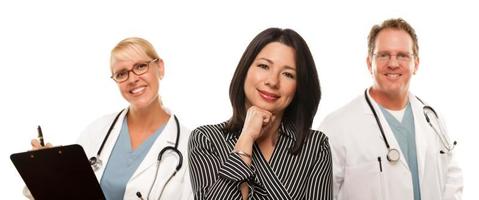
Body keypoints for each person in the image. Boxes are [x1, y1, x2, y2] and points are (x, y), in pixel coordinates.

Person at [29, 37, 193, 200]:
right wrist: (47, 171)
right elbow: (69, 192)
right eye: (121, 74)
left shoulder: (190, 145)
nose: (133, 79)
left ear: (160, 67)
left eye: (141, 66)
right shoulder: (97, 131)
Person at [319, 18, 463, 200]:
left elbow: (452, 177)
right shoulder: (336, 127)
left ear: (416, 64)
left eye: (402, 55)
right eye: (383, 55)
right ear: (368, 63)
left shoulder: (432, 118)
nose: (393, 64)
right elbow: (320, 193)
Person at [188, 28, 332, 200]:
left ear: (299, 87)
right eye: (264, 66)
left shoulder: (315, 146)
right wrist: (246, 138)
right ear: (245, 70)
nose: (272, 81)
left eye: (288, 74)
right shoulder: (206, 139)